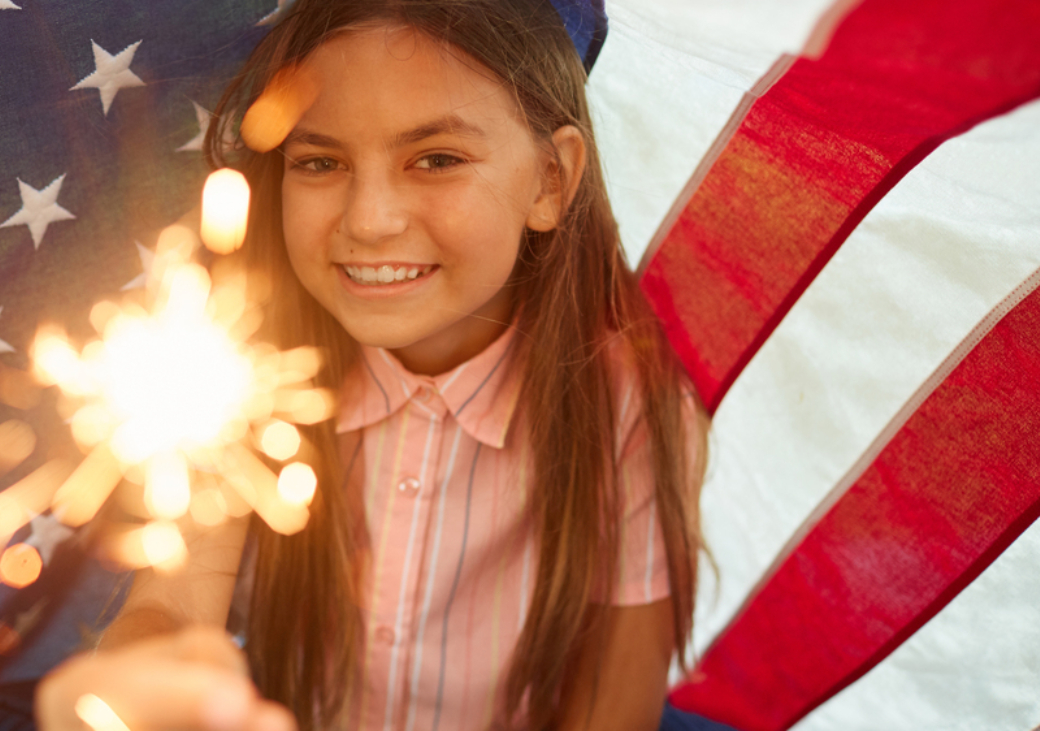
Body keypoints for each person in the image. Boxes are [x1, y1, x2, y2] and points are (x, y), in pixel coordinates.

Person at [36, 0, 707, 729]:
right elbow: (170, 601)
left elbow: (614, 698)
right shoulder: (241, 366)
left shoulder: (625, 397)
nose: (369, 219)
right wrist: (143, 684)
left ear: (550, 178)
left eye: (437, 159)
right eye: (321, 162)